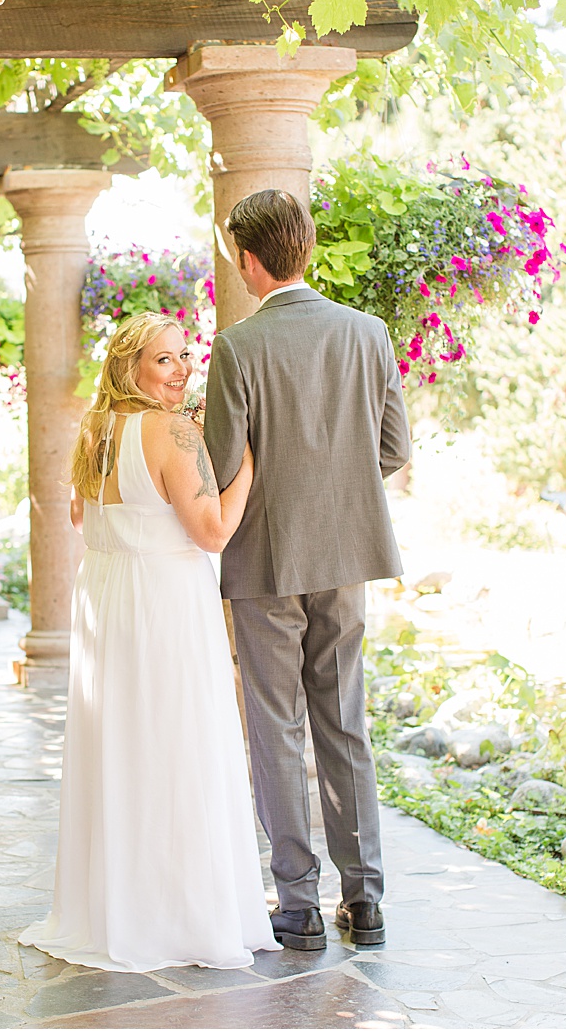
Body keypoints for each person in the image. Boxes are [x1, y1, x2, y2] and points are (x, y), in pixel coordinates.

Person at [20, 311, 278, 972]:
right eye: (164, 359)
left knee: (123, 751)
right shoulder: (174, 430)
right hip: (164, 605)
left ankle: (116, 908)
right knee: (178, 747)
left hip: (108, 599)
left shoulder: (96, 429)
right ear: (130, 367)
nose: (182, 368)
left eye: (183, 356)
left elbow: (84, 518)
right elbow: (213, 532)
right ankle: (182, 914)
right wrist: (247, 462)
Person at [203, 189, 411, 949]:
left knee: (275, 728)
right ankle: (366, 900)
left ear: (248, 259)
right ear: (308, 250)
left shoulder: (237, 348)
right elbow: (392, 449)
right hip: (346, 554)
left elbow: (224, 465)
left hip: (262, 559)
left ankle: (297, 904)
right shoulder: (368, 334)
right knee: (344, 722)